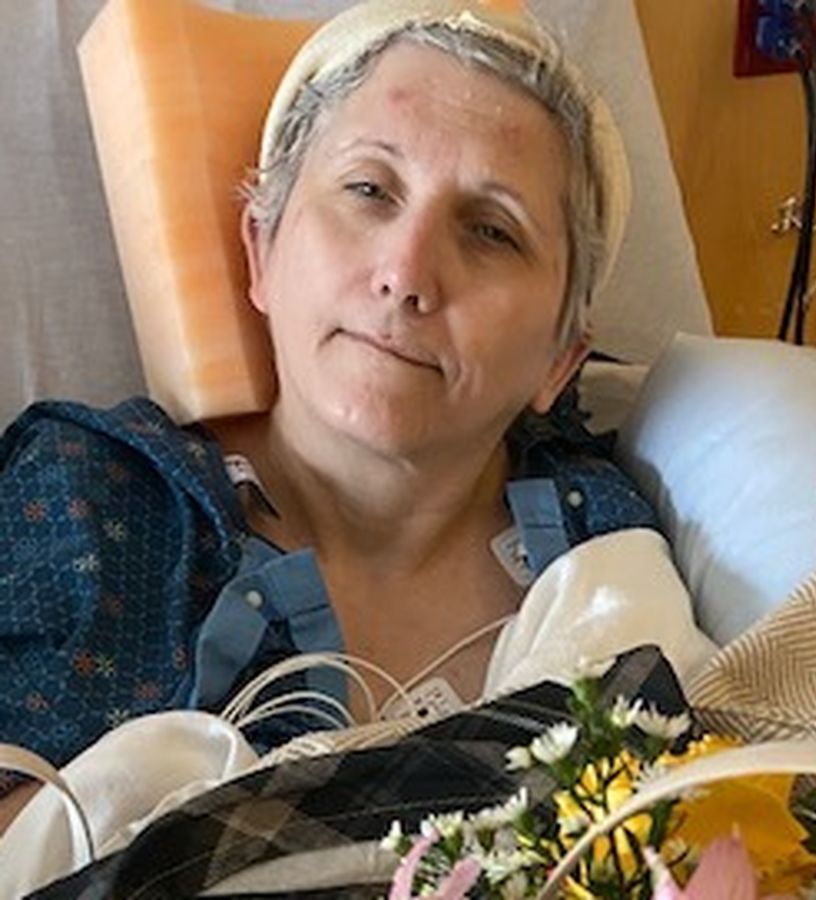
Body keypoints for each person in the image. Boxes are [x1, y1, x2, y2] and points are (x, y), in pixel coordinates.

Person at [0, 0, 660, 831]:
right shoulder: (91, 513)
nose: (406, 274)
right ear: (262, 248)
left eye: (492, 231)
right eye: (369, 190)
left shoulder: (608, 541)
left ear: (560, 361)